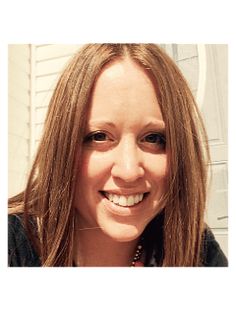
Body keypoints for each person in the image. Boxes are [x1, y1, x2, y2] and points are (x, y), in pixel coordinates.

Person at [8, 43, 228, 267]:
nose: (129, 171)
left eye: (153, 138)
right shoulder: (12, 245)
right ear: (61, 144)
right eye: (99, 136)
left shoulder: (196, 249)